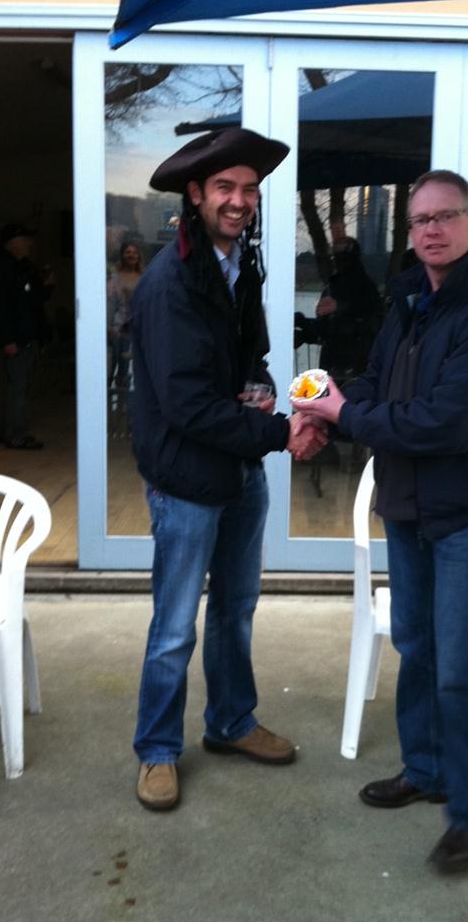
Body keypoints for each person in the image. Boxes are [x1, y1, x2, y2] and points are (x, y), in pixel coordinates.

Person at [294, 169, 468, 874]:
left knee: (459, 664)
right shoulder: (408, 301)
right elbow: (380, 386)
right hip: (405, 503)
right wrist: (327, 410)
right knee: (415, 643)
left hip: (466, 509)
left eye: (445, 217)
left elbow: (448, 423)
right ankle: (425, 769)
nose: (430, 229)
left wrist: (347, 415)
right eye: (420, 220)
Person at [129, 127, 327, 812]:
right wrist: (278, 430)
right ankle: (157, 750)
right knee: (176, 624)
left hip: (239, 466)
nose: (239, 200)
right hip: (188, 475)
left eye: (248, 189)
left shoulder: (241, 264)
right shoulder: (171, 280)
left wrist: (267, 390)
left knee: (236, 611)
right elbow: (186, 405)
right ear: (196, 194)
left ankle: (230, 722)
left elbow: (249, 359)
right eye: (225, 189)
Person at [0, 223, 53, 449]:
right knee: (17, 388)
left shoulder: (21, 267)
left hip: (24, 337)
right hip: (15, 340)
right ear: (13, 243)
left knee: (15, 388)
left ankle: (7, 431)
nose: (29, 245)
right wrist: (7, 340)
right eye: (25, 240)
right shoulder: (2, 270)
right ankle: (16, 435)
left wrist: (46, 284)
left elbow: (34, 299)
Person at [298, 236, 383, 386]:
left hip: (355, 370)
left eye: (340, 255)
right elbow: (326, 329)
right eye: (334, 255)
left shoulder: (365, 289)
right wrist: (304, 328)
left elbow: (372, 325)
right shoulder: (335, 285)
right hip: (333, 369)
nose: (336, 259)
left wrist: (340, 308)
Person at [107, 241, 144, 429]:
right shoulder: (115, 278)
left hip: (138, 329)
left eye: (134, 252)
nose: (131, 255)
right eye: (128, 252)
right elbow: (112, 304)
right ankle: (115, 409)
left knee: (133, 371)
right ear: (122, 255)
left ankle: (130, 410)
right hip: (119, 329)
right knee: (116, 370)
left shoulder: (143, 276)